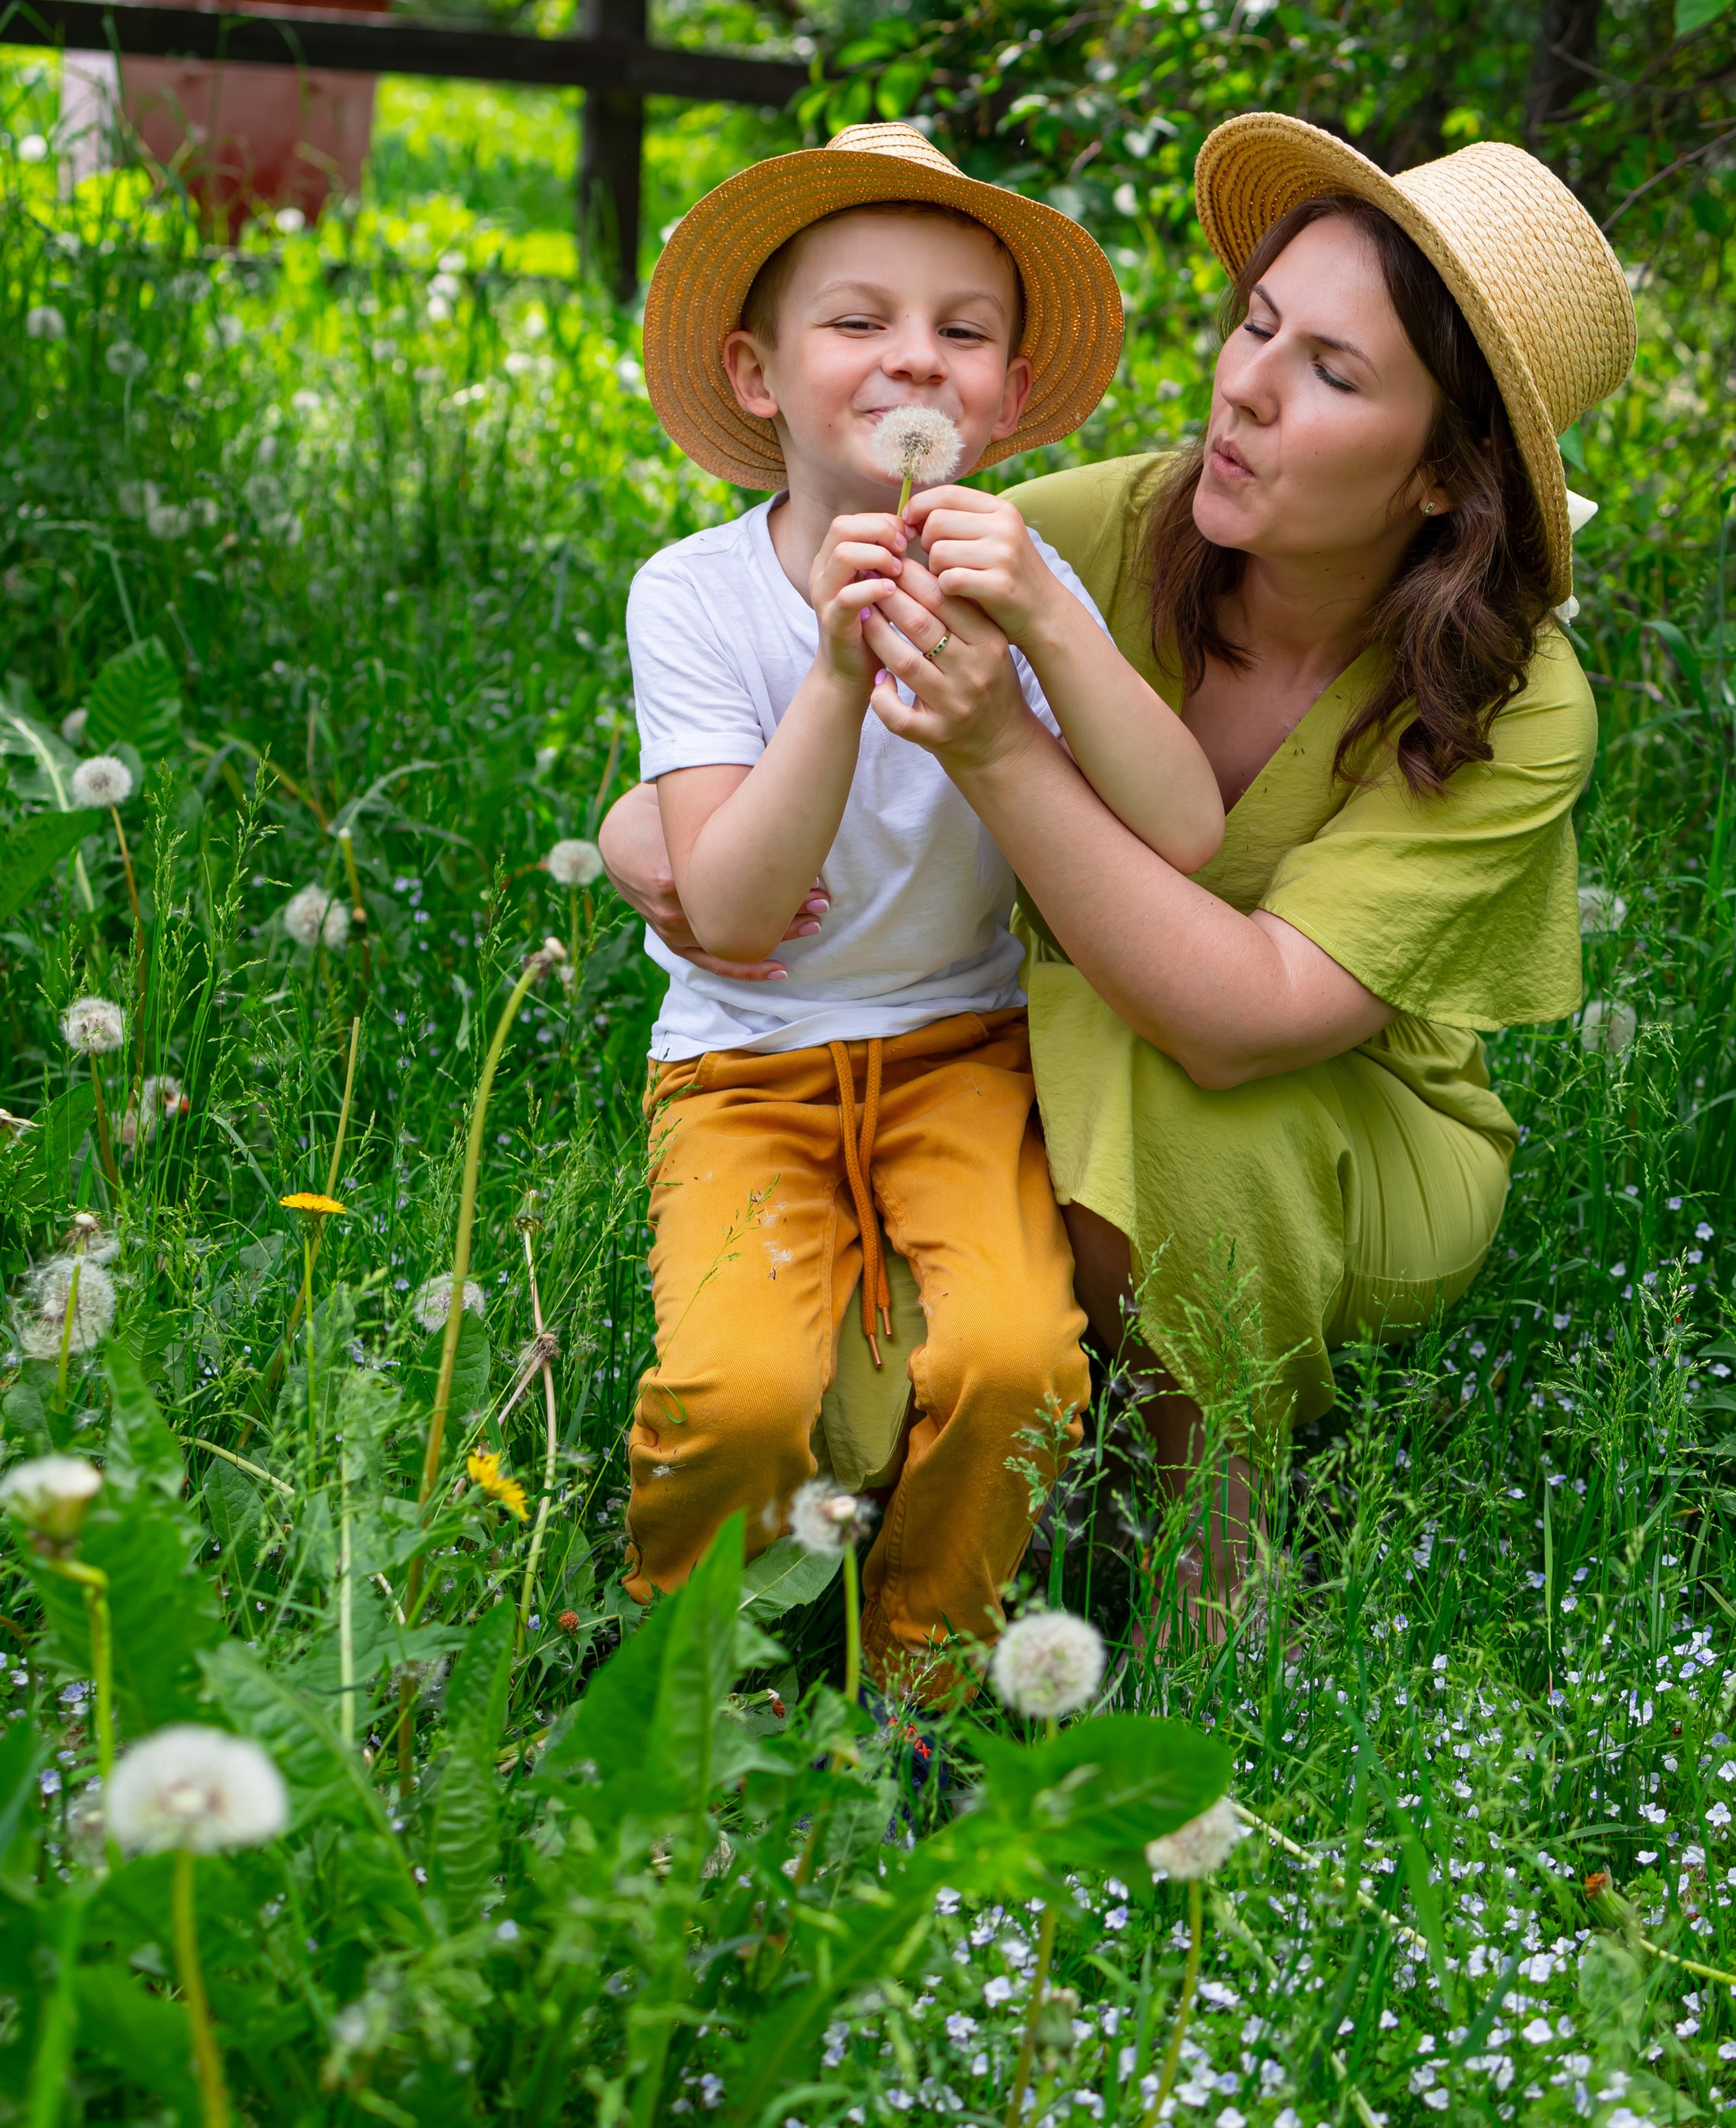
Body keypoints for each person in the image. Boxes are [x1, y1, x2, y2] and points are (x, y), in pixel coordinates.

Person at [605, 113, 1634, 1614]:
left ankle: (1208, 1540)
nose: (1246, 391)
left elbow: (1242, 1011)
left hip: (1337, 1127)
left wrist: (1001, 753)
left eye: (1333, 374)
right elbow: (773, 662)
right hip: (974, 1065)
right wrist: (656, 831)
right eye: (1259, 325)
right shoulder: (1094, 529)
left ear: (1440, 477)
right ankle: (821, 1590)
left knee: (1124, 1044)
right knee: (853, 1344)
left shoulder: (1513, 695)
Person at [621, 118, 1223, 1693]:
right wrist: (834, 673)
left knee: (1023, 1365)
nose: (914, 362)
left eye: (963, 333)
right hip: (741, 1067)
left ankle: (921, 1680)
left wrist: (1043, 620)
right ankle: (691, 1689)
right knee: (738, 1393)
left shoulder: (1023, 582)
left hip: (961, 1055)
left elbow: (1184, 827)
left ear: (1010, 395)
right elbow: (737, 913)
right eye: (857, 322)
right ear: (758, 379)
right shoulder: (692, 597)